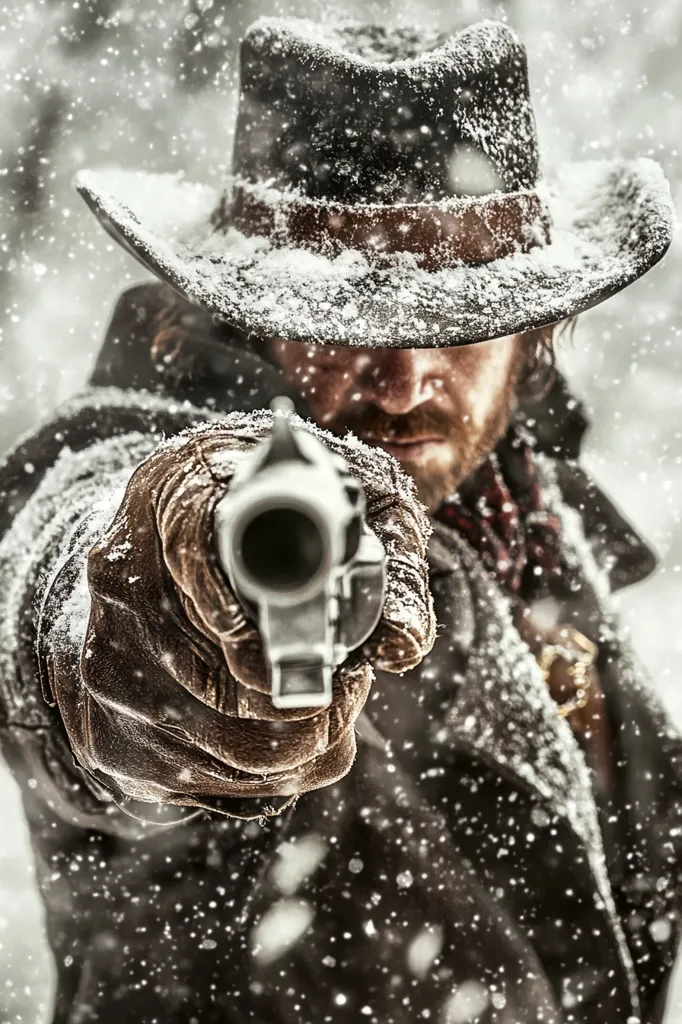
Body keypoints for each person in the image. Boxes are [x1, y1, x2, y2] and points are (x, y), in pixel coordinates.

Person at [0, 16, 679, 1024]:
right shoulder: (143, 469)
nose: (403, 379)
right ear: (240, 314)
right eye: (342, 311)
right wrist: (182, 586)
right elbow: (78, 595)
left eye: (459, 316)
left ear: (536, 328)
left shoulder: (538, 527)